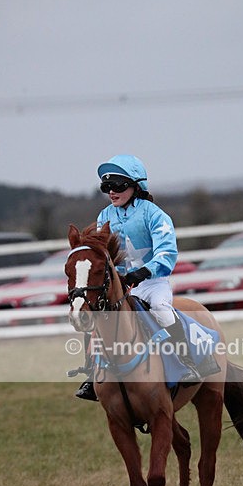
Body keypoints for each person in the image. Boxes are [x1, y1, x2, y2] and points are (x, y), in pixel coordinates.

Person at [76, 153, 213, 401]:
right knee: (96, 314)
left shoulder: (155, 215)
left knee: (161, 308)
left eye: (117, 186)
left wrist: (143, 272)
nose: (111, 192)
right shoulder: (104, 217)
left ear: (135, 185)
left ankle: (188, 362)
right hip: (120, 285)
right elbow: (102, 256)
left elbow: (167, 252)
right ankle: (90, 372)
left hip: (152, 283)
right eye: (106, 187)